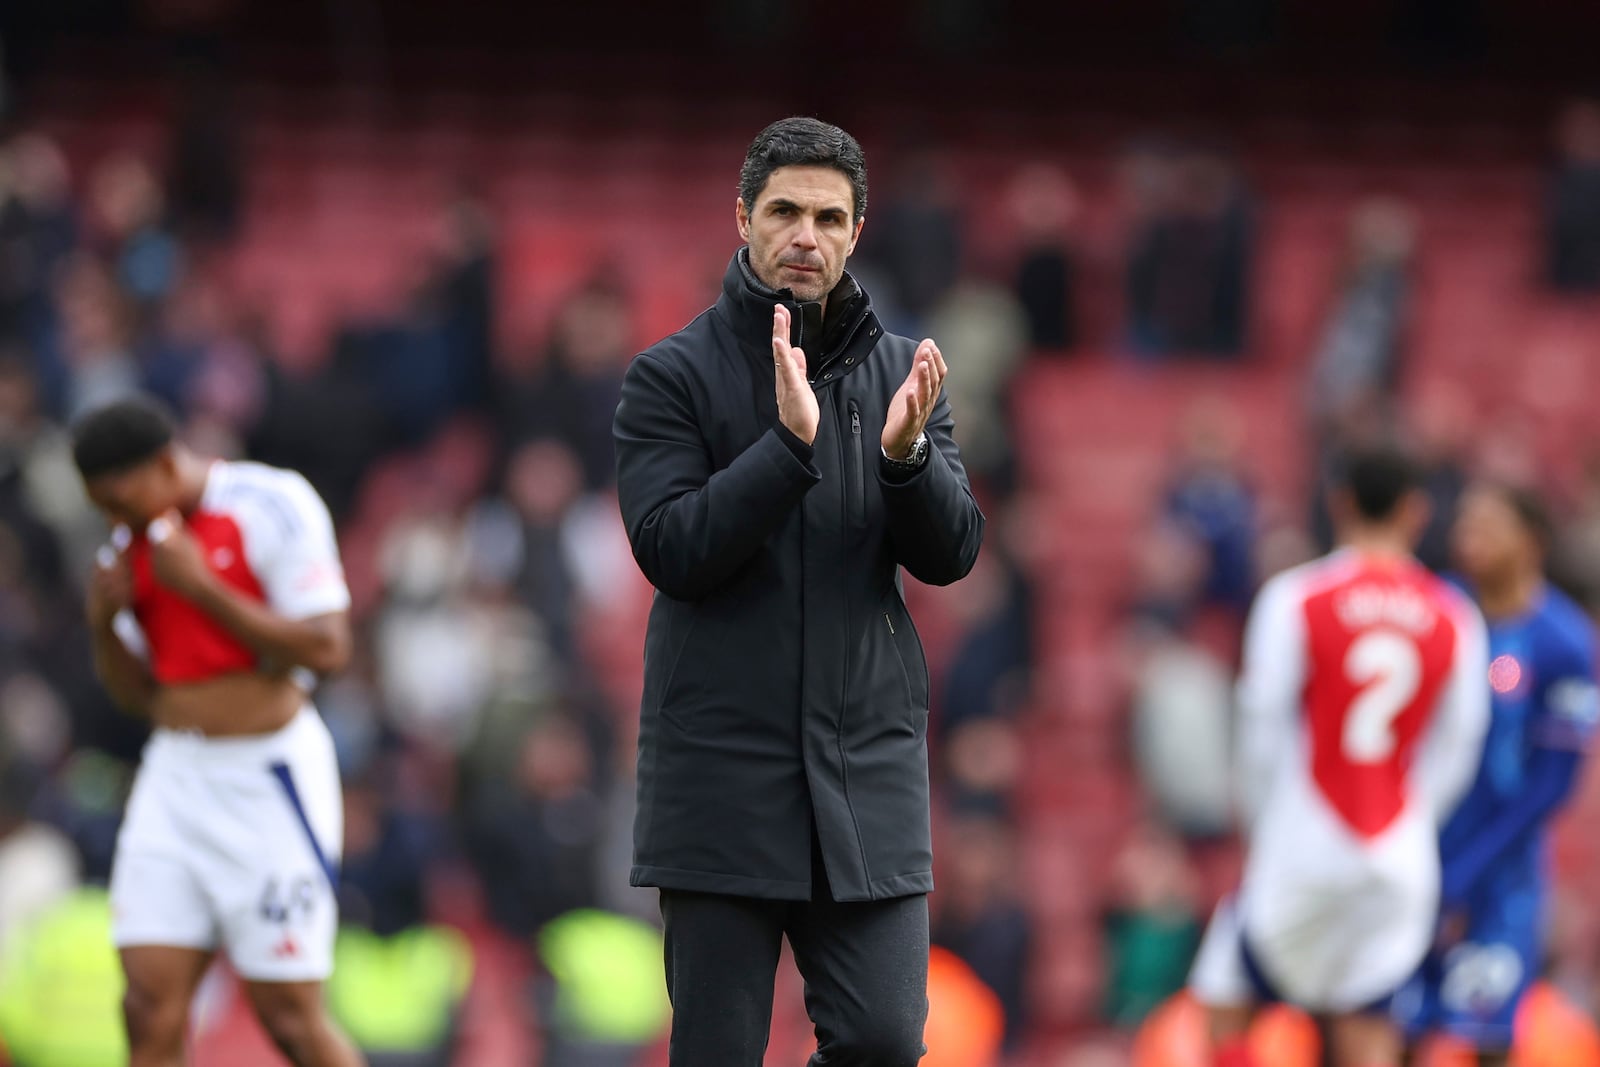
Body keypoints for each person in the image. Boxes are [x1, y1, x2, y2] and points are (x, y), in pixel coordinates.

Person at [612, 116, 985, 1065]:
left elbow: (952, 555)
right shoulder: (670, 376)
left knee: (885, 1039)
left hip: (867, 774)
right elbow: (671, 550)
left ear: (857, 231)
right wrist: (787, 448)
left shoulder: (907, 372)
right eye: (783, 211)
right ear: (743, 219)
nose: (804, 236)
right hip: (721, 779)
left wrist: (905, 460)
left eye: (828, 216)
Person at [71, 394, 364, 1067]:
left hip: (269, 777)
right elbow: (139, 696)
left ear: (164, 465)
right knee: (145, 1007)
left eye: (121, 500)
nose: (115, 520)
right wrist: (100, 623)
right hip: (175, 775)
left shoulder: (272, 503)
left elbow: (327, 647)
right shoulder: (131, 544)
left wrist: (203, 590)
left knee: (290, 1018)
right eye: (102, 509)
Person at [1188, 446, 1490, 1067]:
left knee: (1226, 994)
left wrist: (1268, 818)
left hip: (1304, 840)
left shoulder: (1296, 597)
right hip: (1397, 852)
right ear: (1417, 512)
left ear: (1340, 503)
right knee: (1370, 1022)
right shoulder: (1454, 615)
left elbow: (1262, 723)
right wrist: (1415, 816)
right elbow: (1461, 742)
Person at [1396, 483, 1599, 1066]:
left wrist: (1467, 869)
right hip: (1414, 856)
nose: (1469, 538)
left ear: (1530, 541)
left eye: (1488, 525)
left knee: (1485, 1036)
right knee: (1393, 1025)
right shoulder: (1436, 611)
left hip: (1500, 875)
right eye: (1466, 524)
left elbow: (1552, 784)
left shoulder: (1563, 643)